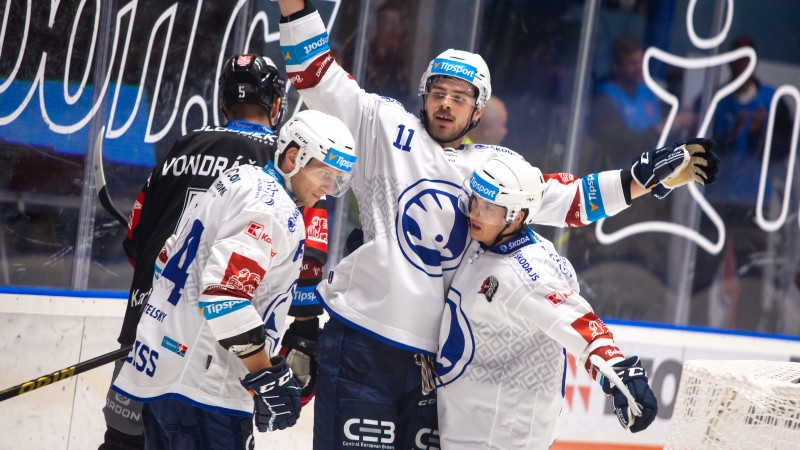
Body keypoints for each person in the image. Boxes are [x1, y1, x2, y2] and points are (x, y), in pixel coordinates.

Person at [276, 1, 717, 447]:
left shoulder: (494, 171)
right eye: (438, 92)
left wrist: (642, 180)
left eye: (460, 97)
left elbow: (571, 198)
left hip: (432, 367)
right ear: (424, 95)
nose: (446, 104)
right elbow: (315, 73)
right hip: (363, 341)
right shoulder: (382, 126)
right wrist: (294, 7)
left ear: (478, 111)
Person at [99, 54, 327, 449]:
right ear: (277, 105)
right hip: (216, 357)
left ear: (223, 102)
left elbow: (137, 240)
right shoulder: (288, 164)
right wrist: (304, 334)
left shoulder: (183, 146)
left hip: (146, 336)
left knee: (123, 443)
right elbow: (306, 265)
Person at [436, 156, 658, 449]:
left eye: (488, 207)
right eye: (475, 200)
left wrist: (620, 376)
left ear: (516, 216)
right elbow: (557, 190)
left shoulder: (527, 273)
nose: (475, 212)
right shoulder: (489, 240)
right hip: (469, 428)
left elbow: (580, 327)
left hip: (501, 438)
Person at [693, 35, 793, 329]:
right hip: (716, 199)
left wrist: (761, 132)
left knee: (752, 271)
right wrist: (731, 135)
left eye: (745, 59)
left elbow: (784, 151)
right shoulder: (714, 101)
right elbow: (697, 149)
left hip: (754, 201)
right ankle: (694, 325)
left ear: (755, 62)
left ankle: (748, 331)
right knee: (704, 269)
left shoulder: (774, 102)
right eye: (735, 60)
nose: (740, 66)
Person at [588, 35, 696, 169]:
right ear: (616, 65)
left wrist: (680, 120)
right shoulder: (605, 99)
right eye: (632, 63)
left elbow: (660, 122)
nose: (639, 67)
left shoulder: (646, 93)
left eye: (640, 62)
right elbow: (619, 144)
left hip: (651, 170)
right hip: (619, 173)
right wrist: (661, 130)